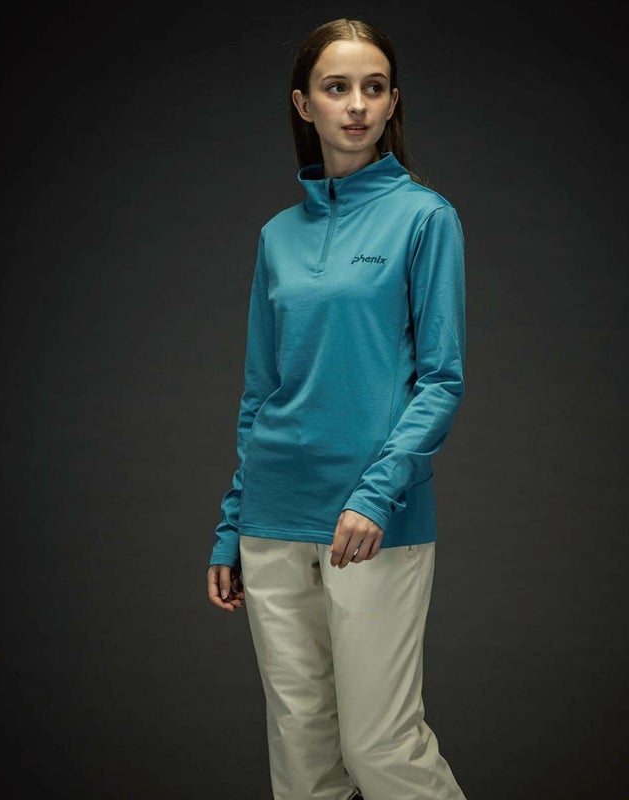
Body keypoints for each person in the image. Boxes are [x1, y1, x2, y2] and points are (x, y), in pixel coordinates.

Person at [206, 17, 468, 800]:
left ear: (393, 103)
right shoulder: (277, 236)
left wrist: (376, 494)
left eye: (373, 88)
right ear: (304, 103)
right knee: (302, 752)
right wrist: (232, 522)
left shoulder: (425, 218)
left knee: (381, 746)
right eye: (337, 87)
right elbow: (261, 391)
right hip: (272, 516)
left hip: (371, 518)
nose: (356, 104)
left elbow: (442, 380)